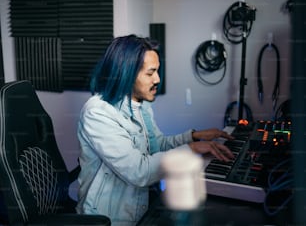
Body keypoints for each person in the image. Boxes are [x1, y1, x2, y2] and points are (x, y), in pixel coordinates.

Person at [76, 34, 234, 226]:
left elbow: (157, 146)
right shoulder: (98, 113)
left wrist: (193, 137)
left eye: (157, 71)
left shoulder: (140, 105)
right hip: (108, 219)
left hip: (141, 209)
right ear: (127, 73)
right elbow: (139, 171)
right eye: (150, 73)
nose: (158, 79)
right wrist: (191, 150)